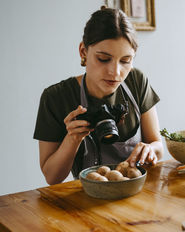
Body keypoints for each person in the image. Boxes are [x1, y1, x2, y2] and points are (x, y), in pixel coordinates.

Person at [33, 7, 163, 185]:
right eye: (103, 59)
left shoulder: (137, 81)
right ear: (83, 52)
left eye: (125, 61)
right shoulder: (55, 97)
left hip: (137, 193)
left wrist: (149, 149)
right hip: (87, 200)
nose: (115, 72)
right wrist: (73, 138)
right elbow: (52, 177)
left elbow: (157, 145)